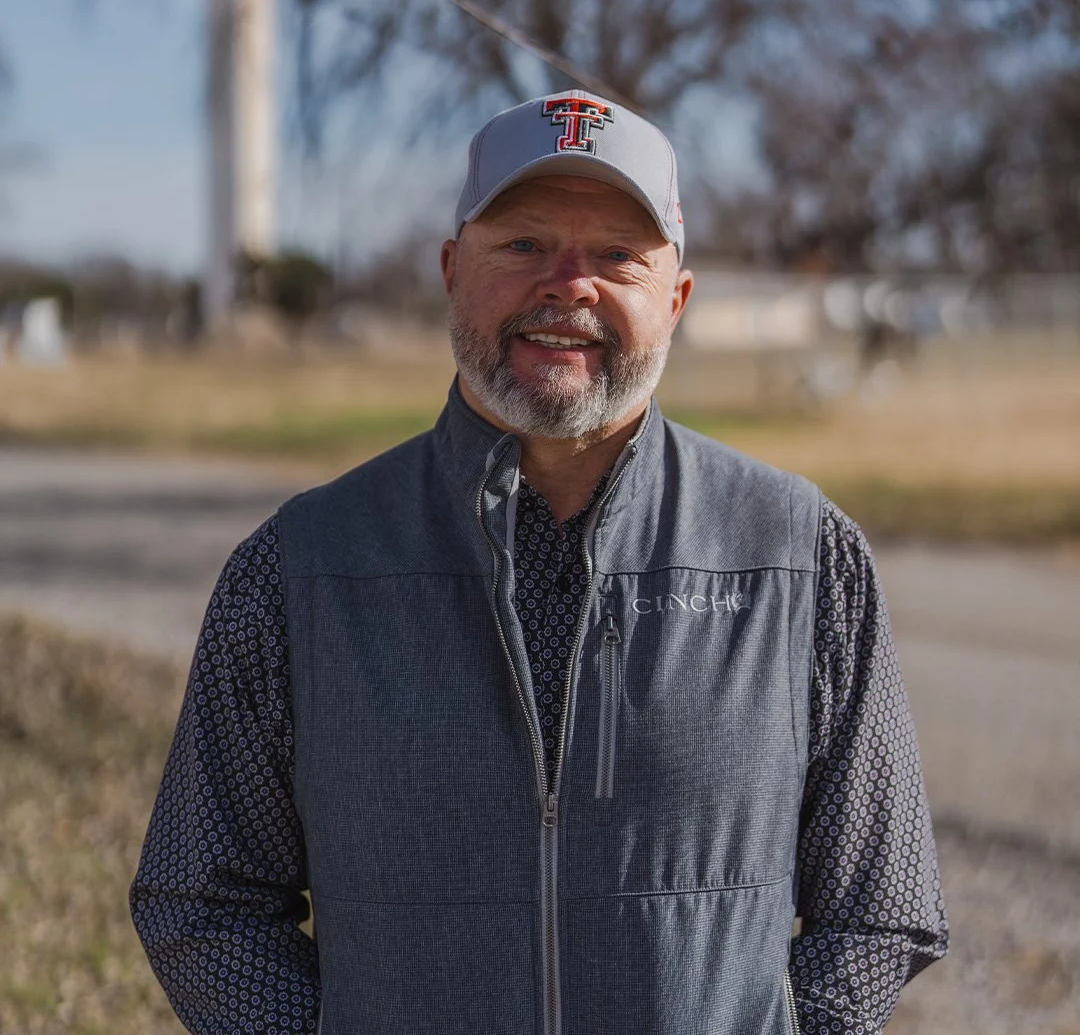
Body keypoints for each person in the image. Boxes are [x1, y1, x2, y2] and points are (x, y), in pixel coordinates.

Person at [131, 89, 948, 1035]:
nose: (568, 285)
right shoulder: (298, 570)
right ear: (450, 270)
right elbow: (203, 901)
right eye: (522, 245)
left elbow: (882, 906)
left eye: (617, 257)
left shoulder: (804, 558)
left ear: (675, 299)